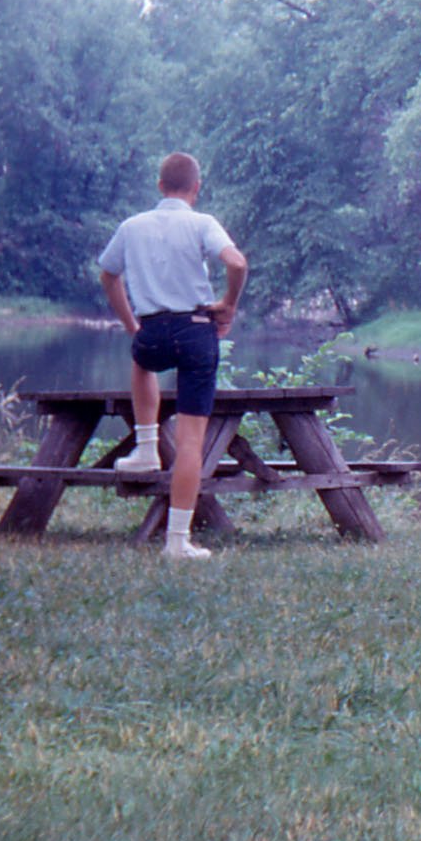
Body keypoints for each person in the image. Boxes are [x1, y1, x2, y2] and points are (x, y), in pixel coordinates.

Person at [97, 152, 248, 560]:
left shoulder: (132, 227)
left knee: (142, 361)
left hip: (152, 331)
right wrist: (229, 304)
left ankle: (146, 445)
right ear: (195, 190)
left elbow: (108, 274)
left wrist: (132, 325)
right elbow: (236, 262)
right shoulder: (202, 223)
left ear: (160, 186)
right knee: (189, 443)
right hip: (197, 331)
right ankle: (177, 541)